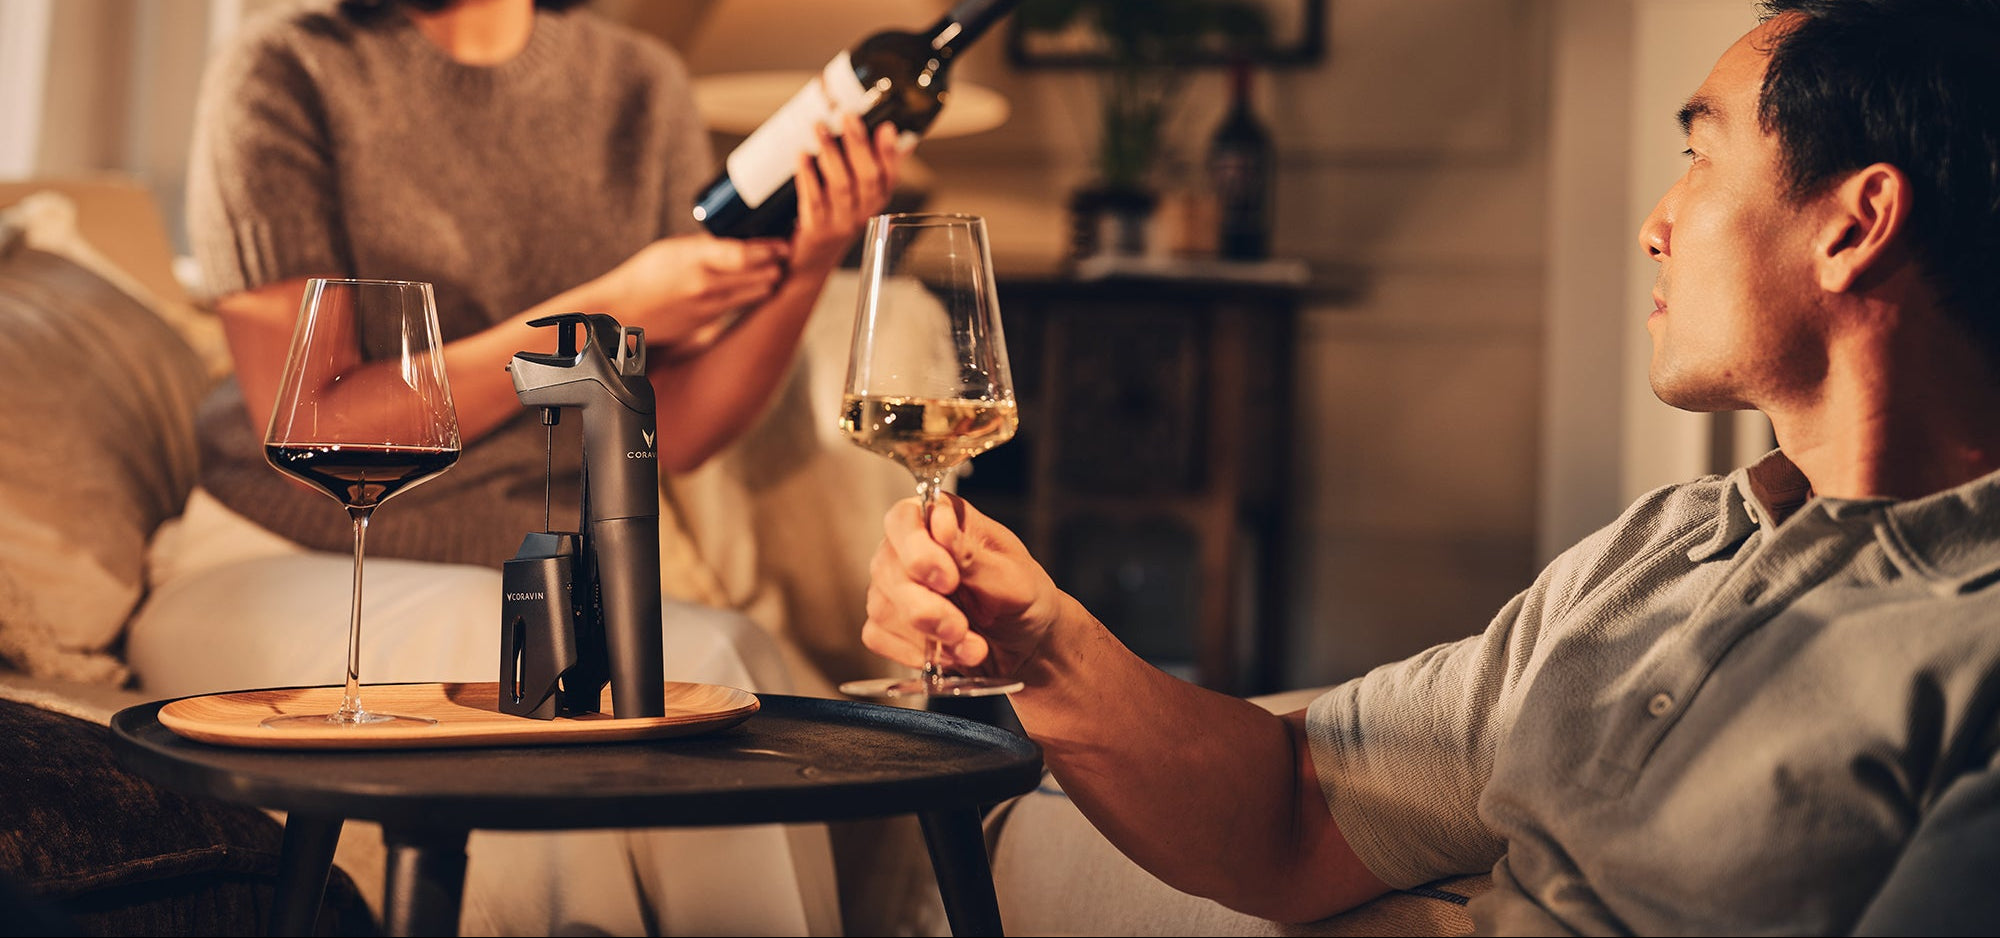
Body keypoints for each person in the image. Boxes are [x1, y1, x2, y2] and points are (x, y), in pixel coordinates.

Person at [861, 1, 2000, 933]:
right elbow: (1294, 807)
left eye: (1698, 157)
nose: (1654, 222)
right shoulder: (1666, 547)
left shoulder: (1967, 649)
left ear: (1853, 225)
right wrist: (1042, 642)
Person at [128, 0, 900, 933]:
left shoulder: (638, 84)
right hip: (289, 553)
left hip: (524, 576)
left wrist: (813, 258)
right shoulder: (284, 68)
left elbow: (676, 432)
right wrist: (604, 305)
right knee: (646, 672)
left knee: (724, 664)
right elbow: (316, 416)